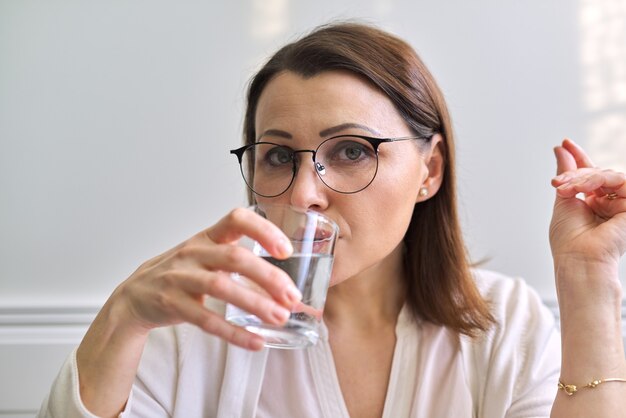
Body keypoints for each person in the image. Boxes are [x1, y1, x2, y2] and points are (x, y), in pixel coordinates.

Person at [38, 22, 626, 418]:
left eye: (350, 151)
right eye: (276, 156)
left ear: (429, 169)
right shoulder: (189, 331)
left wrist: (588, 283)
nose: (303, 194)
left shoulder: (505, 325)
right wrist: (121, 318)